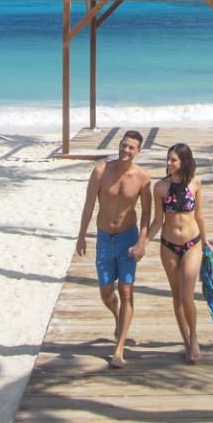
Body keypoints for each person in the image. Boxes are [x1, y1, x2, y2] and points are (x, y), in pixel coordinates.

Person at [75, 129, 153, 368]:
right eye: (123, 145)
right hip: (104, 238)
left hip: (127, 238)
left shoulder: (142, 177)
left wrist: (141, 242)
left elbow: (147, 214)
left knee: (127, 290)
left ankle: (119, 348)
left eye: (131, 147)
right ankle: (117, 315)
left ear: (138, 151)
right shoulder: (101, 171)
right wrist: (81, 236)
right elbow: (89, 205)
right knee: (107, 294)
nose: (126, 150)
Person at [145, 142, 210, 364]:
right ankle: (185, 340)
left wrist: (206, 241)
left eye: (173, 160)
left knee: (186, 296)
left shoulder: (196, 182)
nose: (169, 163)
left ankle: (194, 337)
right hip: (168, 246)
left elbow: (199, 214)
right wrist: (142, 244)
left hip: (192, 244)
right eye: (168, 159)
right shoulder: (160, 187)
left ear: (184, 162)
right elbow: (157, 221)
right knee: (176, 296)